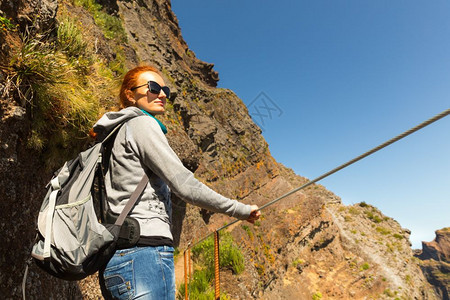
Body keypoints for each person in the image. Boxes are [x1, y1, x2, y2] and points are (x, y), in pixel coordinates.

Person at [93, 65, 261, 300]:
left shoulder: (114, 132)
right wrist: (241, 210)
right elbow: (184, 185)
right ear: (130, 95)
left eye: (165, 89)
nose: (162, 94)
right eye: (153, 87)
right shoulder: (142, 124)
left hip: (119, 259)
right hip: (144, 256)